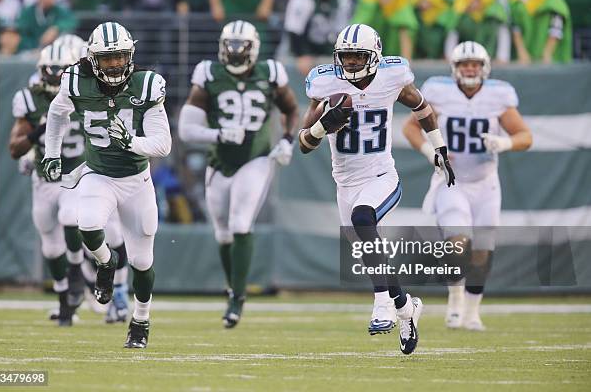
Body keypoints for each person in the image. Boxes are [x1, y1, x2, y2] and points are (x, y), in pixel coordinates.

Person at [299, 23, 455, 355]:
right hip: (345, 182)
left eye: (358, 57)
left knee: (363, 219)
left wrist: (438, 147)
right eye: (346, 57)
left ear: (374, 55)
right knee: (371, 254)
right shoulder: (325, 83)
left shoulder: (393, 76)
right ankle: (405, 307)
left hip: (382, 175)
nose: (352, 63)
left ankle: (381, 304)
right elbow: (303, 143)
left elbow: (422, 107)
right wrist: (321, 125)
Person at [42, 22, 171, 348]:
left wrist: (133, 142)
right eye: (107, 58)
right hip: (98, 173)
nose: (114, 64)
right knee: (86, 222)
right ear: (93, 58)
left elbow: (163, 144)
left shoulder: (147, 85)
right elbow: (57, 114)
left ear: (130, 56)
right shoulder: (76, 80)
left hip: (137, 180)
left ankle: (140, 320)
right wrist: (51, 154)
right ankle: (105, 263)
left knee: (143, 261)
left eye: (119, 57)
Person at [402, 41, 532, 330]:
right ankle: (455, 298)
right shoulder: (438, 90)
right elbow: (410, 127)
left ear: (484, 67)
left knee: (482, 250)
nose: (470, 68)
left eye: (474, 63)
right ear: (454, 68)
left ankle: (473, 311)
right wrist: (430, 152)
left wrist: (504, 142)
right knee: (458, 242)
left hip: (486, 183)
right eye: (464, 64)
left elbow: (525, 136)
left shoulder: (498, 95)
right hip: (452, 180)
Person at [178, 20, 299, 329]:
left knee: (240, 222)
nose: (233, 53)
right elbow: (186, 129)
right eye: (229, 46)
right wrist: (218, 134)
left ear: (253, 48)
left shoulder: (270, 73)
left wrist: (287, 140)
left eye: (239, 46)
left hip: (256, 158)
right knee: (222, 232)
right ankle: (234, 287)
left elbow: (291, 110)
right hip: (219, 161)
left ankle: (237, 299)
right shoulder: (209, 75)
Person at [9, 42, 84, 326]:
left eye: (62, 70)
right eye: (50, 70)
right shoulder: (29, 99)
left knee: (69, 216)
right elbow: (14, 148)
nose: (55, 76)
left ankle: (77, 269)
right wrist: (37, 133)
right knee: (51, 247)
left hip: (75, 173)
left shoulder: (84, 94)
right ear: (40, 71)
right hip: (45, 177)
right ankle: (65, 302)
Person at [284, 0, 352, 75]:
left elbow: (344, 31)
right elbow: (294, 31)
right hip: (305, 52)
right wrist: (301, 54)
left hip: (330, 51)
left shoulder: (342, 0)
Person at [509, 0, 572, 64]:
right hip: (526, 59)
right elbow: (515, 27)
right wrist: (522, 52)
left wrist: (547, 53)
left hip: (551, 58)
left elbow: (556, 29)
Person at [353, 0, 418, 60]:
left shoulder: (402, 8)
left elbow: (406, 39)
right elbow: (358, 30)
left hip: (395, 60)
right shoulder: (370, 7)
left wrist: (405, 65)